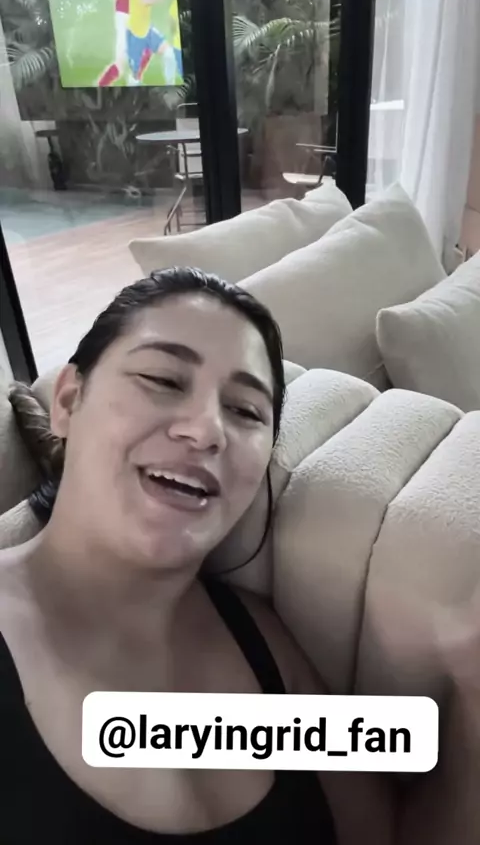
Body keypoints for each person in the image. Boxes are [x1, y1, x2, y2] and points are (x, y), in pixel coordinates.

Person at [0, 268, 477, 843]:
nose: (207, 430)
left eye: (246, 411)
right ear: (69, 400)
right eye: (163, 379)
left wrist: (473, 706)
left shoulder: (262, 643)